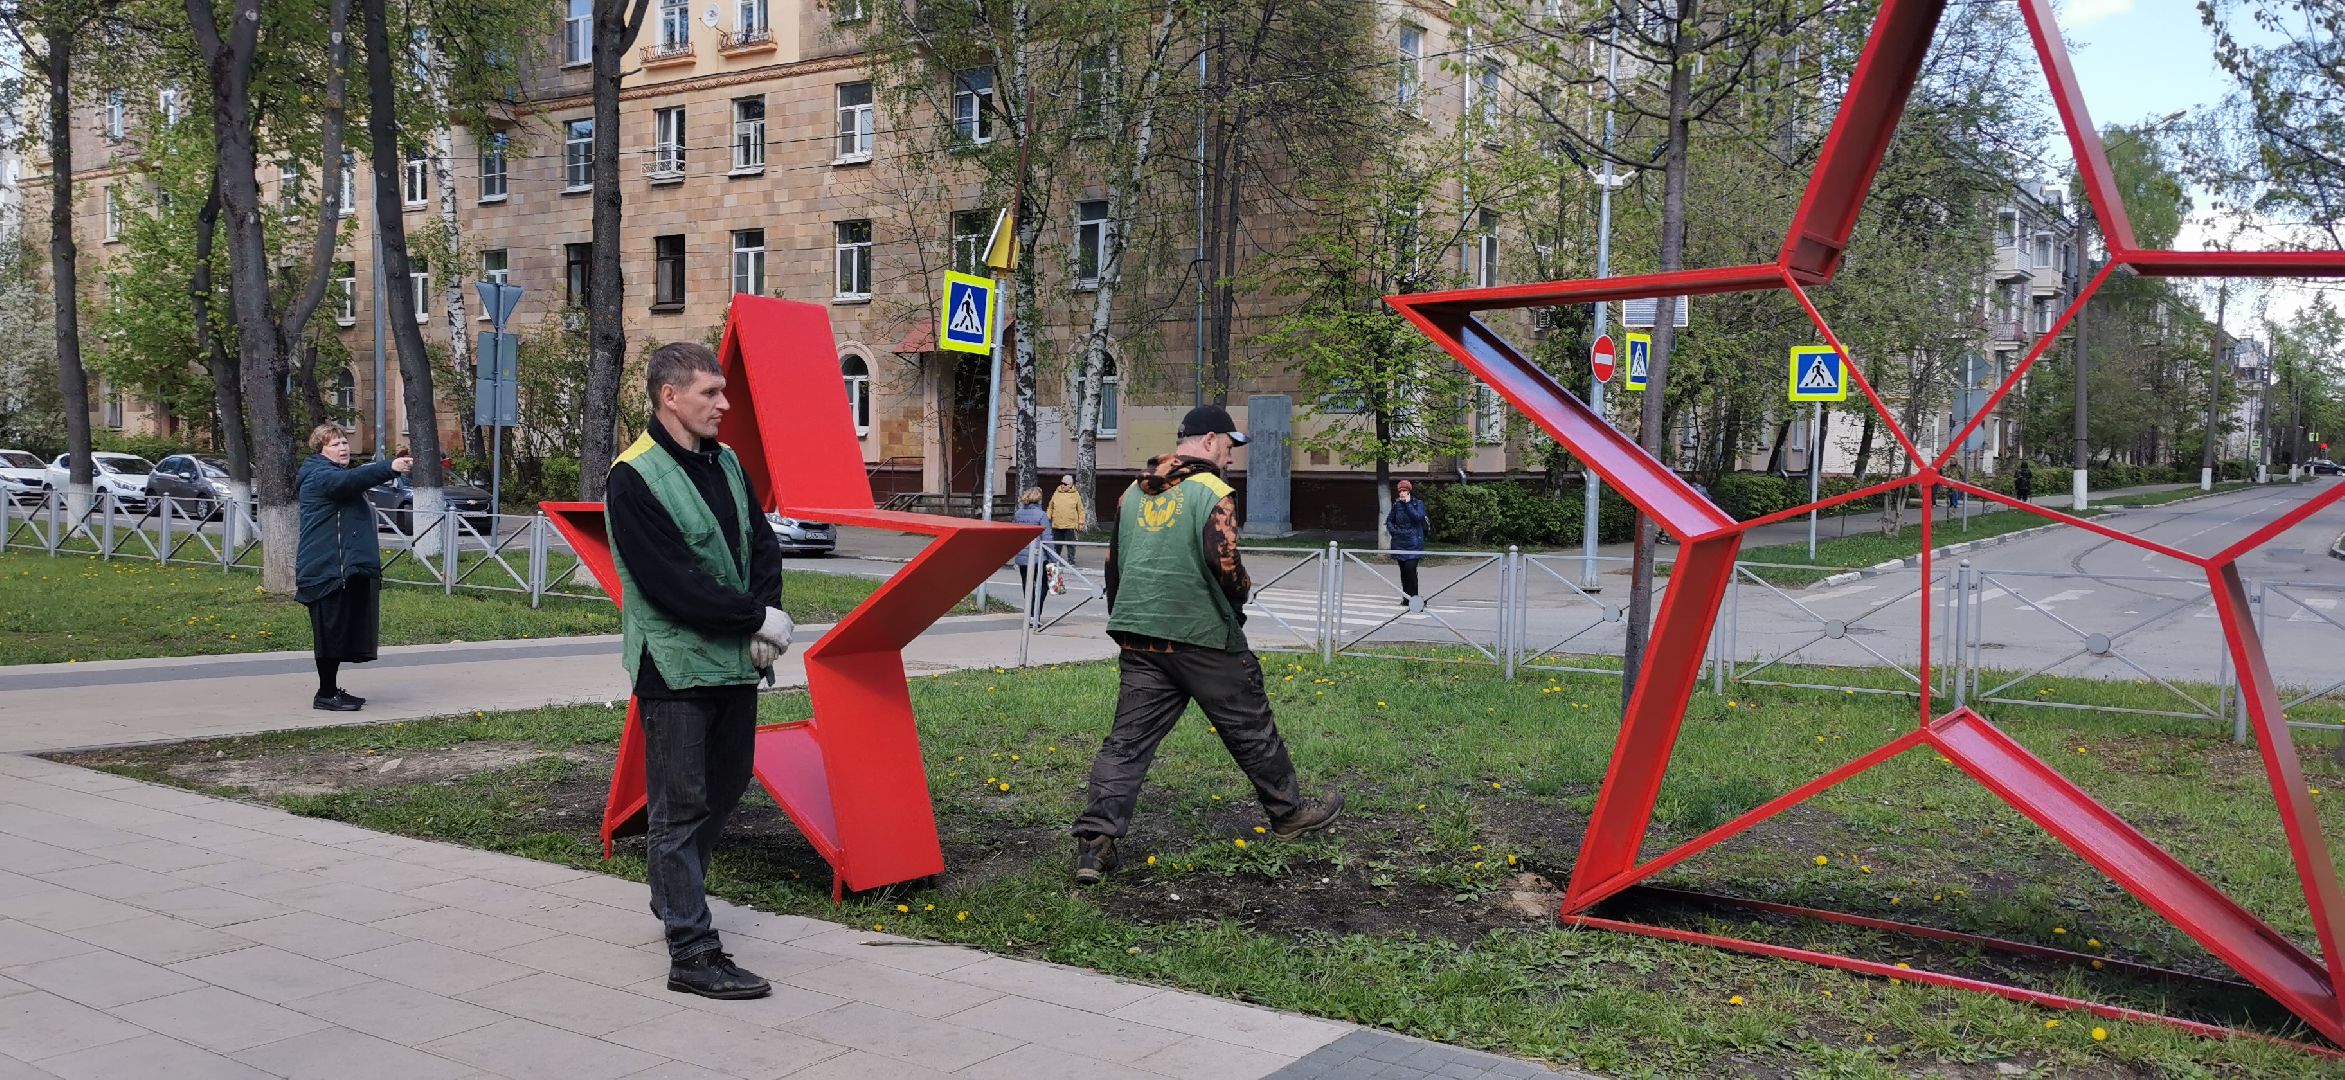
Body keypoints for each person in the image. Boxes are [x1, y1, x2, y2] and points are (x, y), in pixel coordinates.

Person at [1071, 404, 1344, 883]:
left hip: (1141, 633)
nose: (1232, 457)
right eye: (1230, 446)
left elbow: (1115, 564)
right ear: (1211, 440)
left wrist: (1127, 618)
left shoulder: (1133, 492)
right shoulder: (1214, 490)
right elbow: (1224, 561)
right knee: (1250, 725)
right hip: (1200, 633)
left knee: (1127, 742)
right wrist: (1240, 595)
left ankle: (1095, 844)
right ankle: (1288, 813)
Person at [604, 341, 793, 1001]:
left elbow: (759, 540)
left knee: (729, 780)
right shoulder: (633, 475)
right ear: (669, 397)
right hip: (677, 666)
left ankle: (671, 889)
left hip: (734, 660)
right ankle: (690, 948)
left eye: (722, 390)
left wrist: (767, 611)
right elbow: (670, 585)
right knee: (679, 807)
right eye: (710, 393)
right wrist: (752, 619)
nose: (724, 403)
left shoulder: (727, 461)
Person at [296, 426, 409, 712]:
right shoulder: (321, 476)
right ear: (321, 450)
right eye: (335, 444)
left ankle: (331, 690)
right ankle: (325, 694)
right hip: (325, 569)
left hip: (339, 569)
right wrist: (390, 467)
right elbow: (349, 482)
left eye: (345, 442)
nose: (343, 448)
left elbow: (352, 482)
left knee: (337, 632)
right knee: (329, 633)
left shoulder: (333, 474)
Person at [1385, 479, 1428, 606]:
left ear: (1409, 491)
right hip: (1399, 541)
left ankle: (1415, 598)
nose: (1402, 493)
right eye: (1400, 491)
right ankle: (1406, 597)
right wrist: (1394, 532)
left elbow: (1418, 518)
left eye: (1404, 491)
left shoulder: (1417, 503)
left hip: (1414, 542)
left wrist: (1408, 504)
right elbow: (1389, 521)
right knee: (1403, 571)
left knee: (1410, 569)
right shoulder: (1397, 505)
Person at [1011, 486, 1050, 625]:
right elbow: (1047, 538)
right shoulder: (1042, 515)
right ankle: (1035, 615)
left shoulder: (1018, 514)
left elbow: (1014, 534)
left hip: (1022, 556)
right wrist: (1053, 558)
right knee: (1043, 585)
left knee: (1027, 586)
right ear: (1038, 499)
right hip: (1039, 557)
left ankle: (1029, 614)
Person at [1048, 474, 1085, 568]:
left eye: (1065, 484)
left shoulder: (1076, 495)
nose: (1063, 485)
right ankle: (1055, 560)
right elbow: (1050, 507)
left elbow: (1080, 510)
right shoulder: (1056, 493)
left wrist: (1081, 523)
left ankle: (1071, 561)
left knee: (1071, 544)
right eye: (1062, 483)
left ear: (1070, 485)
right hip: (1057, 524)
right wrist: (1047, 517)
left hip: (1070, 524)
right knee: (1056, 544)